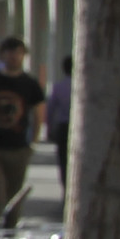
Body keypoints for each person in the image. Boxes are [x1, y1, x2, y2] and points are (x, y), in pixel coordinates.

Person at [0, 36, 46, 229]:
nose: (14, 57)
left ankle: (9, 235)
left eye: (18, 52)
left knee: (14, 197)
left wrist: (33, 142)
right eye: (9, 52)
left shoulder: (29, 83)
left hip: (19, 148)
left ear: (24, 55)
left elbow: (38, 114)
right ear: (2, 54)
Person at [47, 55, 73, 188]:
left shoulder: (58, 87)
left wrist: (49, 129)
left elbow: (50, 110)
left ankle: (66, 187)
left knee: (64, 161)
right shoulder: (87, 86)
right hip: (81, 130)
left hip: (64, 127)